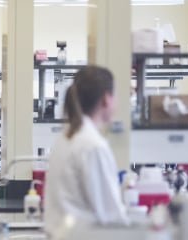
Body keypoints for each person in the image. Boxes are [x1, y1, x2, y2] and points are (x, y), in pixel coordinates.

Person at [43, 65, 128, 230]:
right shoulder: (92, 145)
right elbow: (111, 217)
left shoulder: (66, 137)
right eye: (114, 95)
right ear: (106, 99)